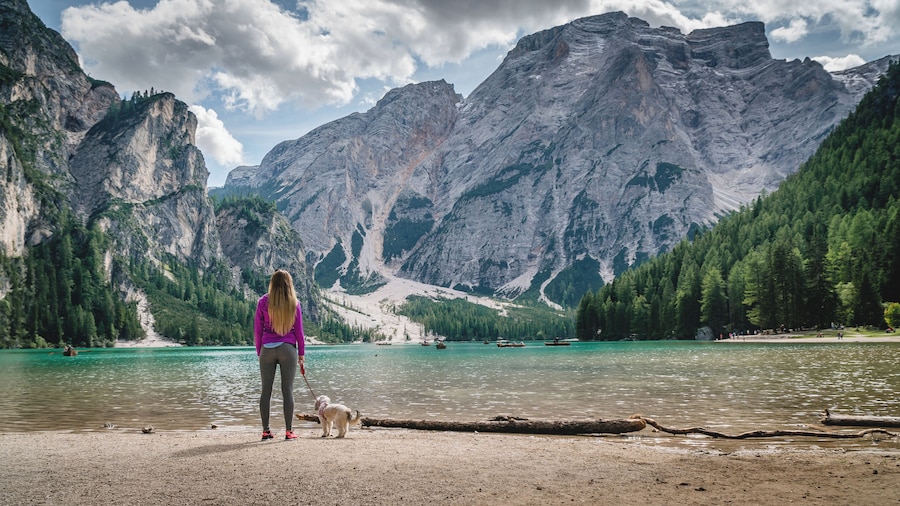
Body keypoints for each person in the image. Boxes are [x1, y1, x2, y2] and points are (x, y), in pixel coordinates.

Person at [254, 270, 305, 441]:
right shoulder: (294, 303)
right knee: (287, 391)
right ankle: (289, 431)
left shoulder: (263, 301)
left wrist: (259, 351)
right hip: (288, 349)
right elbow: (299, 332)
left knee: (265, 391)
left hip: (267, 349)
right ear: (289, 284)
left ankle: (266, 431)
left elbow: (257, 330)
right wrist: (302, 354)